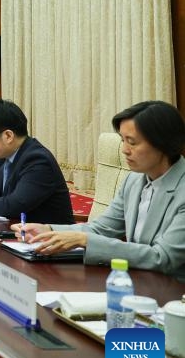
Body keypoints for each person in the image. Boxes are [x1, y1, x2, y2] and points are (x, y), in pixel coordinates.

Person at [18, 101, 185, 277]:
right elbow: (102, 228)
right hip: (138, 281)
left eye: (132, 142)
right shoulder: (134, 180)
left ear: (163, 144)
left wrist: (85, 241)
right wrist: (49, 231)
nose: (124, 150)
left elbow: (163, 257)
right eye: (123, 140)